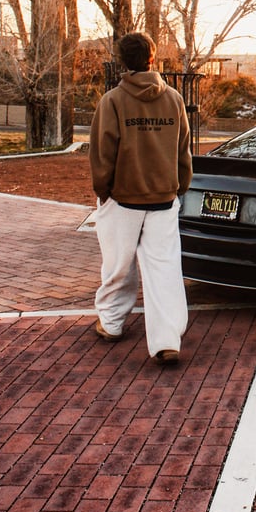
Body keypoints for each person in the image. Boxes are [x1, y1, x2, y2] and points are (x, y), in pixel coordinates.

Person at [89, 31, 193, 364]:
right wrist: (179, 187)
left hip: (123, 199)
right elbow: (183, 152)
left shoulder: (113, 101)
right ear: (152, 58)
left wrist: (103, 191)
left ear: (122, 61)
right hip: (164, 198)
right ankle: (166, 341)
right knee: (163, 270)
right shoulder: (174, 99)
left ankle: (112, 323)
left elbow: (103, 153)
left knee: (118, 266)